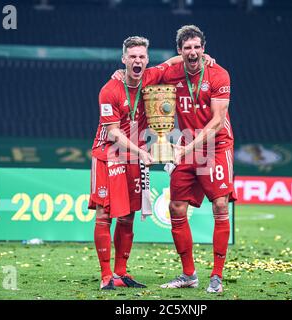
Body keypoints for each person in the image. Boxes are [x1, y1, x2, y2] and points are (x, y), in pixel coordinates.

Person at [89, 36, 196, 290]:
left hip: (135, 157)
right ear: (123, 59)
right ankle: (106, 277)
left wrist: (206, 59)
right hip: (107, 154)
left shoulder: (149, 76)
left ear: (146, 60)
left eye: (141, 57)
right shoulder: (109, 90)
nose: (137, 61)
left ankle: (121, 273)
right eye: (132, 56)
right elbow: (113, 133)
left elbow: (172, 62)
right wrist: (142, 151)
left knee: (128, 215)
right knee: (105, 214)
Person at [159, 25, 236, 293]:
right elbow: (151, 74)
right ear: (180, 51)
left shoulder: (219, 74)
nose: (193, 53)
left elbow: (217, 122)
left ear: (204, 48)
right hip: (187, 147)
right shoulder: (174, 71)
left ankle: (216, 275)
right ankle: (189, 274)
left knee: (220, 207)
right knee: (176, 208)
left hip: (216, 146)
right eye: (187, 48)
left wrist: (184, 147)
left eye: (197, 47)